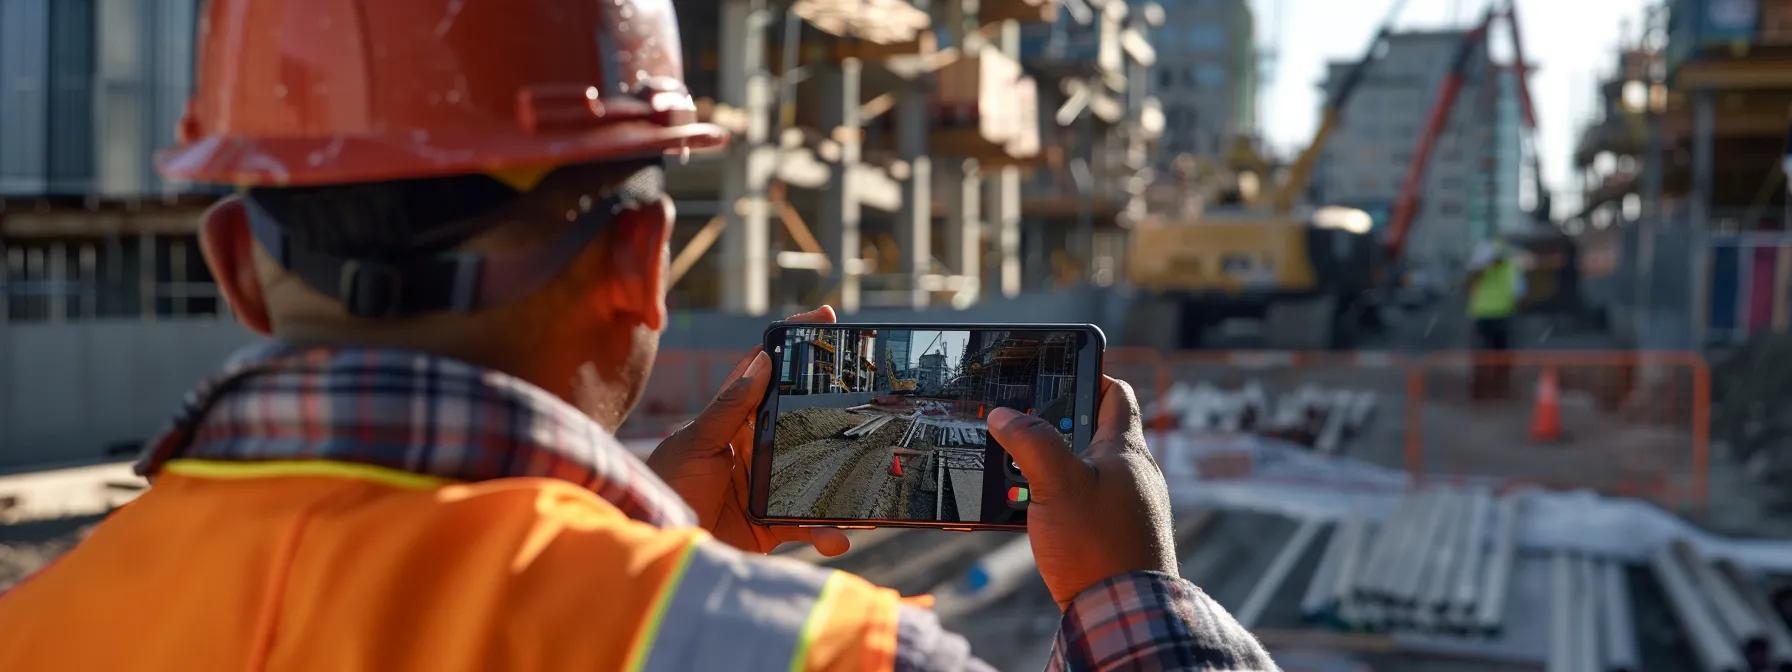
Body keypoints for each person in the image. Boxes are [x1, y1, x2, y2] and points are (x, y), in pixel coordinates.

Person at [0, 1, 1276, 670]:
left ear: (233, 263)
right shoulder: (800, 653)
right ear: (641, 266)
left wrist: (639, 542)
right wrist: (1128, 597)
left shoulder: (38, 626)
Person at [1467, 239, 1526, 399]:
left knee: (1498, 356)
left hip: (1500, 316)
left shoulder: (1510, 269)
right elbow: (1519, 295)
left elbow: (1519, 294)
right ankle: (1483, 388)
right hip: (1486, 316)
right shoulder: (1482, 270)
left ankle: (1498, 388)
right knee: (1484, 356)